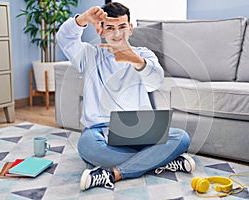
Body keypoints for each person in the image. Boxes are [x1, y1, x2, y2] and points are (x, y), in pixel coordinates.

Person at [57, 2, 196, 191]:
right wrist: (83, 20)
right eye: (110, 28)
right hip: (99, 132)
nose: (116, 33)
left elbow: (155, 81)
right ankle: (160, 160)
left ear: (130, 28)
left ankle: (114, 173)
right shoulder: (89, 56)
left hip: (140, 131)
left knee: (181, 138)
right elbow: (65, 39)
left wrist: (134, 59)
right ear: (101, 31)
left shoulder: (143, 55)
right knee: (86, 146)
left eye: (122, 27)